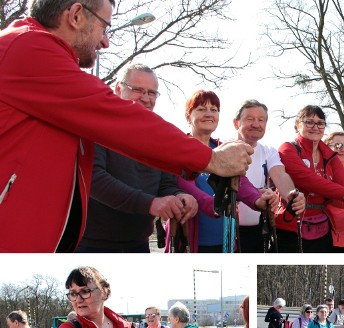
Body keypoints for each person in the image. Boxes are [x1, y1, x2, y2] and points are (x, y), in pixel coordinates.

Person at [0, 0, 252, 252]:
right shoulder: (28, 48)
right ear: (76, 15)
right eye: (104, 27)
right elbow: (123, 121)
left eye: (152, 92)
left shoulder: (29, 50)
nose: (105, 41)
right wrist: (210, 158)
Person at [76, 64, 197, 252]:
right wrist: (150, 204)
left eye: (152, 93)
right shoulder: (96, 125)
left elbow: (166, 184)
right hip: (90, 244)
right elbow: (93, 178)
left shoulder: (159, 136)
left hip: (138, 244)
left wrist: (179, 196)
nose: (146, 98)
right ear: (118, 88)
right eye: (138, 90)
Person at [171, 90, 276, 252]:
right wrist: (214, 205)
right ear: (188, 117)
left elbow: (240, 181)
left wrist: (258, 200)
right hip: (190, 242)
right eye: (201, 109)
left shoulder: (223, 148)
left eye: (214, 110)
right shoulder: (179, 149)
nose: (208, 114)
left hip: (226, 241)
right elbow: (185, 185)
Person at [275, 105, 344, 252]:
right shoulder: (288, 149)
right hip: (290, 226)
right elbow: (309, 180)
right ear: (298, 125)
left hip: (321, 228)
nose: (315, 127)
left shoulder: (329, 155)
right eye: (309, 122)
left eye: (320, 123)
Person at [233, 100, 305, 252]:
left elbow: (279, 175)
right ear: (236, 123)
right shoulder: (224, 149)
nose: (256, 124)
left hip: (259, 229)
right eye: (250, 119)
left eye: (261, 120)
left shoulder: (269, 151)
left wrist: (292, 196)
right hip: (230, 230)